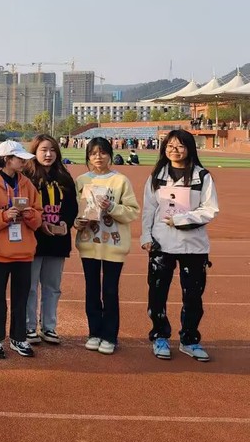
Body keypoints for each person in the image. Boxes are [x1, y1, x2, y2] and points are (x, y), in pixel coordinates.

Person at [141, 130, 219, 362]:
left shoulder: (202, 176)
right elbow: (149, 209)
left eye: (180, 146)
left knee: (193, 296)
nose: (174, 150)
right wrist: (146, 236)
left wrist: (181, 219)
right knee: (157, 293)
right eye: (170, 146)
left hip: (193, 245)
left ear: (189, 148)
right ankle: (160, 336)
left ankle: (190, 339)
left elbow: (210, 209)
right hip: (161, 243)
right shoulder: (157, 176)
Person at [73, 137, 140, 355]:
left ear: (110, 155)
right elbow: (75, 210)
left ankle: (110, 336)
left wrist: (111, 207)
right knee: (92, 290)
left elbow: (132, 211)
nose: (98, 157)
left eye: (102, 153)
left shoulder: (120, 181)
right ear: (88, 157)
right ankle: (94, 332)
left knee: (110, 291)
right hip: (89, 243)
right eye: (93, 153)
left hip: (113, 244)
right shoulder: (81, 180)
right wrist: (78, 222)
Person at [0, 140, 42, 359]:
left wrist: (29, 214)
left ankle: (18, 337)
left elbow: (39, 216)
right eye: (19, 158)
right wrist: (5, 216)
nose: (24, 162)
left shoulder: (27, 184)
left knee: (21, 297)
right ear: (7, 160)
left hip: (23, 252)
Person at [24, 134, 78, 345]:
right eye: (43, 150)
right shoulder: (26, 177)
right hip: (33, 240)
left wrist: (65, 223)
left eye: (52, 150)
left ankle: (49, 327)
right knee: (30, 286)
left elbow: (72, 207)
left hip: (58, 240)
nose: (48, 154)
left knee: (52, 286)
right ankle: (29, 326)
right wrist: (39, 224)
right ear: (34, 152)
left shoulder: (64, 177)